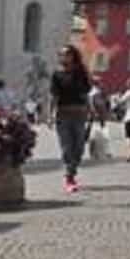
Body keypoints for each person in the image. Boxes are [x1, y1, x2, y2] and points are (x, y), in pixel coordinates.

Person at [50, 45, 91, 193]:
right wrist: (50, 114)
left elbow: (86, 94)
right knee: (67, 146)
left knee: (79, 147)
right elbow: (54, 95)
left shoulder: (81, 72)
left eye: (66, 54)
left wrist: (90, 110)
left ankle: (72, 169)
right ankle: (69, 177)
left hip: (79, 113)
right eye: (61, 54)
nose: (64, 57)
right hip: (63, 113)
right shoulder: (57, 74)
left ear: (73, 56)